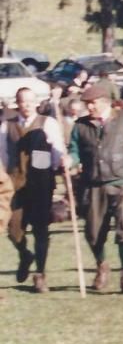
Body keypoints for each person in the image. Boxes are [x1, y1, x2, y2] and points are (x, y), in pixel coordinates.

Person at [68, 81, 123, 294]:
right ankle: (102, 265)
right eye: (87, 103)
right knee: (93, 233)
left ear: (104, 102)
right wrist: (70, 160)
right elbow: (75, 150)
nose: (89, 107)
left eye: (92, 103)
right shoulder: (80, 126)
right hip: (93, 184)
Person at [3, 88, 65, 293]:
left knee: (41, 230)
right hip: (15, 185)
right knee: (13, 229)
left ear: (36, 103)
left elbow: (56, 151)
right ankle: (24, 254)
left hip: (40, 184)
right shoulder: (7, 126)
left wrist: (59, 166)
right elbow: (3, 153)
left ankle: (40, 273)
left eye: (30, 101)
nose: (27, 105)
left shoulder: (48, 123)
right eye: (23, 102)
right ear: (17, 103)